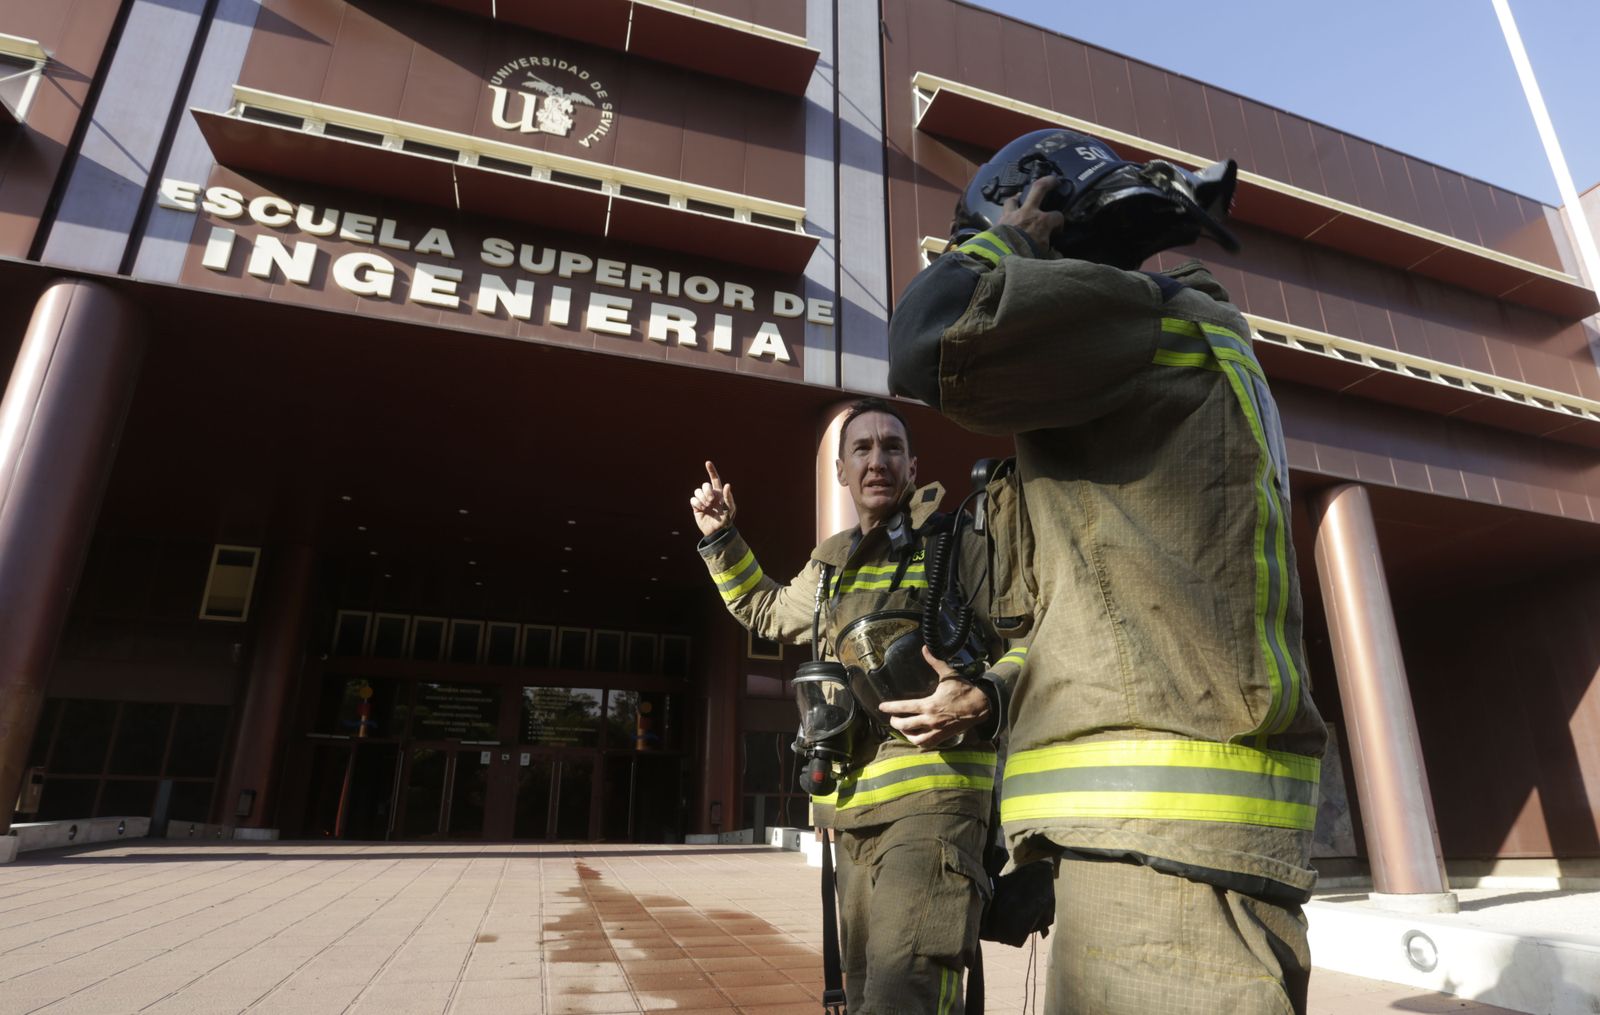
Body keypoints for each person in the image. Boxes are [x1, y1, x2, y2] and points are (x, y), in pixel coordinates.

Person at [887, 130, 1329, 1014]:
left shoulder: (1134, 319)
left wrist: (1005, 241)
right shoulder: (1167, 349)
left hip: (1162, 860)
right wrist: (997, 692)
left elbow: (929, 336)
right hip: (1161, 849)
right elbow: (1107, 609)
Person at [689, 398, 1025, 1014]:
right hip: (851, 814)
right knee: (869, 992)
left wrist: (983, 693)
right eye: (862, 450)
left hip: (936, 801)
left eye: (892, 447)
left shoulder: (957, 542)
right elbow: (765, 611)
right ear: (841, 471)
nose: (878, 460)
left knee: (904, 995)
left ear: (913, 464)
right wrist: (722, 536)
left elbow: (1032, 638)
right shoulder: (830, 563)